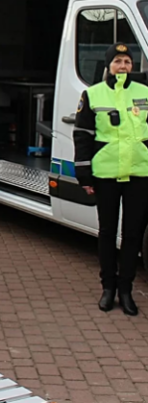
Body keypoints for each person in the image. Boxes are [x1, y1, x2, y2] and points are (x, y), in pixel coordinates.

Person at [74, 42, 148, 316]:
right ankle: (108, 289)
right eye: (117, 61)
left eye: (127, 62)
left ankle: (126, 290)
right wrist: (84, 174)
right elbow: (82, 136)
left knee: (132, 235)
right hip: (105, 174)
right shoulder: (92, 94)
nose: (123, 66)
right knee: (107, 233)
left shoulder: (145, 93)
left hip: (140, 173)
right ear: (108, 65)